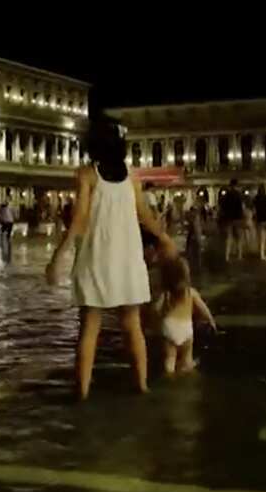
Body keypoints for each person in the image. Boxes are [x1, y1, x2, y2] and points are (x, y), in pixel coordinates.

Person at [46, 118, 176, 400]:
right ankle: (141, 386)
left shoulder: (86, 175)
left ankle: (81, 392)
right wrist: (164, 239)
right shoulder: (132, 177)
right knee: (133, 327)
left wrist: (59, 254)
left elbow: (79, 220)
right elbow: (145, 216)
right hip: (128, 261)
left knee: (89, 328)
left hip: (95, 259)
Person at [153, 257, 217, 376]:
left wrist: (157, 319)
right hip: (186, 329)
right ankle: (187, 369)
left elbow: (156, 309)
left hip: (169, 327)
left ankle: (169, 375)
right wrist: (211, 320)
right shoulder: (191, 293)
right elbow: (203, 309)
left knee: (170, 358)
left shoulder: (166, 294)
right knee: (187, 359)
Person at [220, 179, 245, 262]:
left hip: (228, 219)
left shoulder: (226, 195)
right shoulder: (239, 195)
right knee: (238, 238)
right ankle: (239, 255)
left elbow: (222, 207)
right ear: (237, 185)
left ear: (230, 186)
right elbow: (241, 207)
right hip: (237, 218)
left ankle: (226, 256)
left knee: (229, 238)